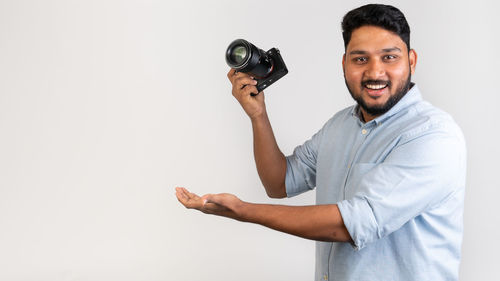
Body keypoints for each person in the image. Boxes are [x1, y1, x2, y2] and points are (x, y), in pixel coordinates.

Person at [175, 4, 466, 281]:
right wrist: (258, 115)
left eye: (389, 57)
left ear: (412, 60)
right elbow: (280, 182)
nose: (375, 72)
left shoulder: (433, 136)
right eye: (360, 58)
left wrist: (243, 210)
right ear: (344, 63)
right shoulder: (340, 126)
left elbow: (351, 224)